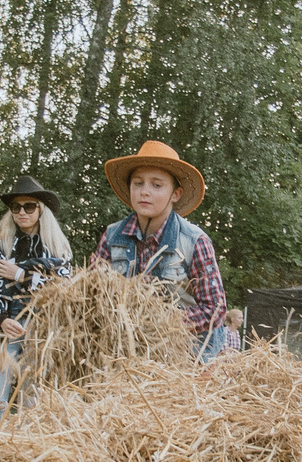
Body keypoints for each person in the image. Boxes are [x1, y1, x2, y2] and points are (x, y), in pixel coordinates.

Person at [93, 140, 226, 351]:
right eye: (138, 183)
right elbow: (92, 293)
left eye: (156, 185)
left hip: (186, 353)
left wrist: (160, 325)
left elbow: (214, 309)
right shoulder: (112, 237)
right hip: (124, 350)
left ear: (176, 194)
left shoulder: (194, 240)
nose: (144, 192)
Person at [0, 173, 72, 341]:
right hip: (9, 324)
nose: (22, 212)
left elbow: (65, 288)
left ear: (40, 209)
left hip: (48, 326)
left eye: (29, 206)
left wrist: (21, 276)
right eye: (16, 207)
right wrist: (1, 319)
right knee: (2, 367)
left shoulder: (56, 248)